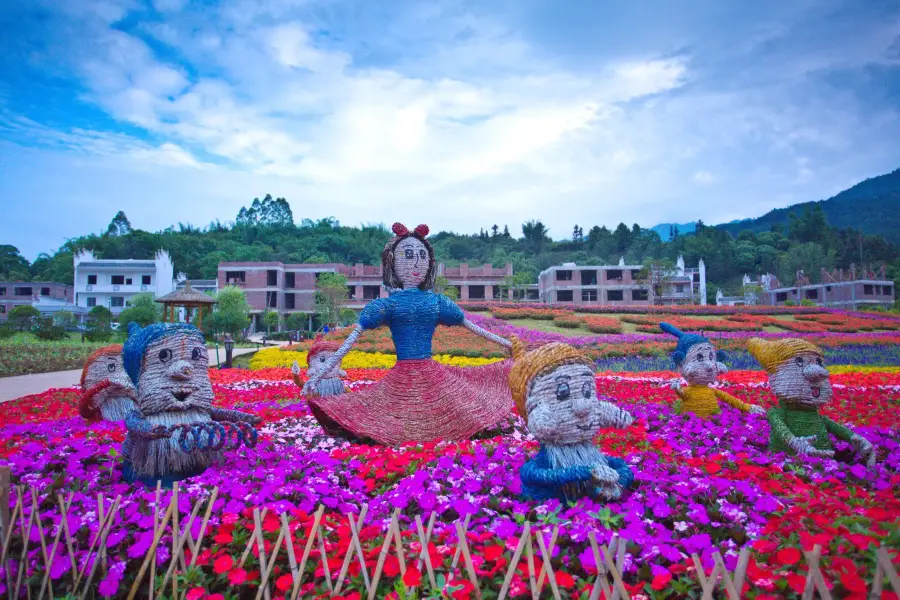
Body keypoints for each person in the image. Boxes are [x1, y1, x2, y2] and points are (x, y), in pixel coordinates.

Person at [302, 222, 515, 446]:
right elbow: (351, 340)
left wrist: (506, 344)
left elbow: (472, 327)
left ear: (429, 263)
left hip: (431, 372)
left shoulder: (436, 302)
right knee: (401, 414)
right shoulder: (388, 305)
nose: (416, 262)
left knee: (449, 408)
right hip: (402, 374)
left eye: (422, 255)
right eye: (409, 254)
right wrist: (319, 375)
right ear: (393, 263)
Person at [509, 338, 634, 502]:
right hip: (552, 511)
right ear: (535, 405)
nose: (583, 407)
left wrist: (620, 477)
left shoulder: (591, 441)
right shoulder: (548, 457)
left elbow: (619, 467)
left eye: (587, 391)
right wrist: (587, 471)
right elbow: (533, 473)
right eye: (562, 392)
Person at [747, 337, 877, 466]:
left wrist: (858, 440)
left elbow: (837, 429)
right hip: (787, 461)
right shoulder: (777, 413)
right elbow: (781, 429)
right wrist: (795, 443)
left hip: (825, 462)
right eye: (799, 361)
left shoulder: (818, 417)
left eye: (818, 362)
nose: (817, 373)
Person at [660, 322, 765, 417]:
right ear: (682, 363)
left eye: (711, 357)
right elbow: (683, 394)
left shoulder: (712, 390)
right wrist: (677, 389)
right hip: (691, 424)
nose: (710, 365)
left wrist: (747, 407)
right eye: (699, 358)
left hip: (712, 423)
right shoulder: (688, 391)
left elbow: (730, 399)